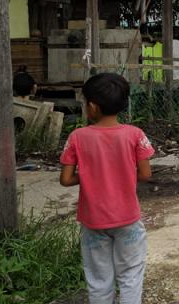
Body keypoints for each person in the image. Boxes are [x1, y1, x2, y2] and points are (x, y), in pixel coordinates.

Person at [59, 73, 154, 304]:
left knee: (99, 279)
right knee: (131, 274)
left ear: (92, 106)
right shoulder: (135, 134)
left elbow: (66, 179)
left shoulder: (77, 137)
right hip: (127, 219)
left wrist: (91, 175)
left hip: (93, 222)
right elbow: (145, 174)